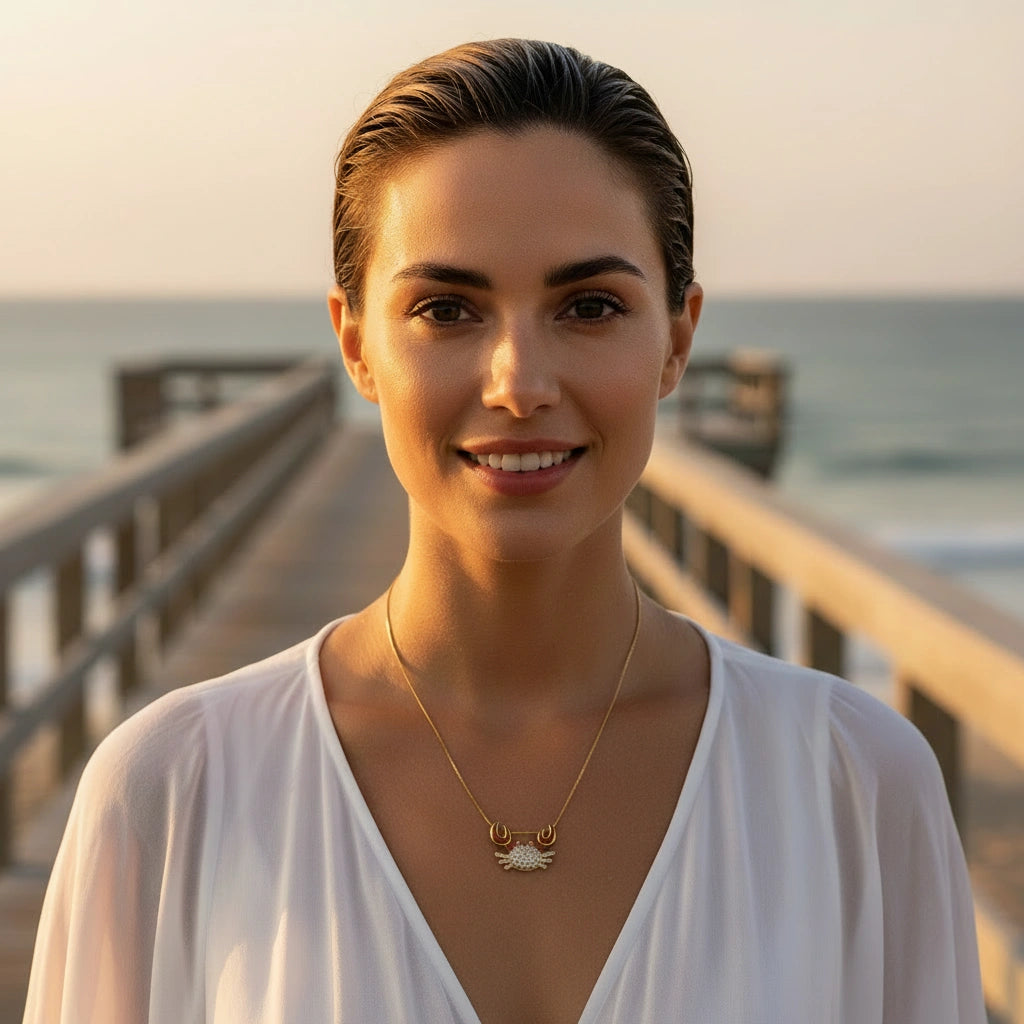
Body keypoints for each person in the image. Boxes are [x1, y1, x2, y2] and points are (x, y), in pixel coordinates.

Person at [24, 38, 985, 1024]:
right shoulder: (174, 790)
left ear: (677, 338)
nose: (518, 382)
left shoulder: (853, 783)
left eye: (589, 306)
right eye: (447, 309)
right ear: (356, 343)